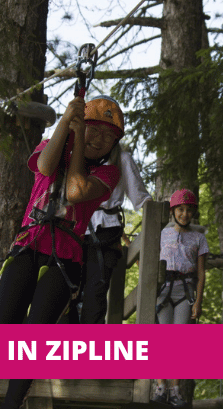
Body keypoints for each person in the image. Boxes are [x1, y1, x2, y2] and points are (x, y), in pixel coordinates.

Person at [0, 95, 125, 409]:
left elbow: (74, 190)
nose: (100, 140)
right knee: (0, 330)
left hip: (64, 260)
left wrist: (79, 138)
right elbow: (44, 165)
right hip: (27, 246)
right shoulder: (50, 146)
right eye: (95, 130)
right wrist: (66, 122)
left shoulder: (109, 175)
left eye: (109, 137)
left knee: (34, 339)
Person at [77, 148, 152, 324]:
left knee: (95, 295)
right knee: (67, 295)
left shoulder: (121, 158)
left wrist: (161, 229)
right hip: (74, 228)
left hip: (106, 230)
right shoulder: (76, 153)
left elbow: (140, 197)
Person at [152, 189, 208, 407]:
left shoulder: (199, 238)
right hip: (163, 289)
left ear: (193, 213)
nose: (185, 214)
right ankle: (160, 387)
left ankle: (175, 390)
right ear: (173, 211)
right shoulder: (162, 234)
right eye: (180, 210)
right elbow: (149, 260)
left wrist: (198, 302)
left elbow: (201, 273)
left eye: (188, 210)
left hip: (185, 291)